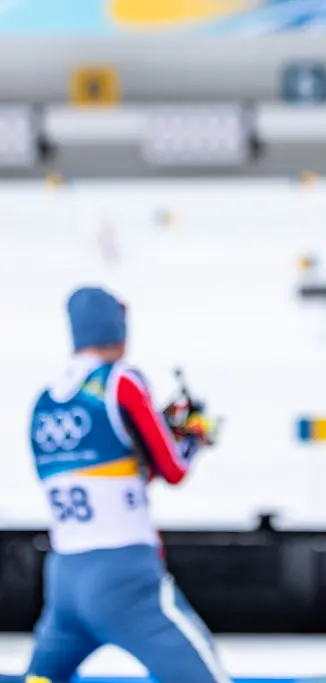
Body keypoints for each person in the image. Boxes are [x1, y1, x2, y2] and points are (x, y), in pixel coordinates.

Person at [20, 286, 229, 683]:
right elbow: (172, 469)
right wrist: (193, 437)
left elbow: (99, 474)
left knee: (41, 678)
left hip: (64, 578)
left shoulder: (44, 401)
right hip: (125, 577)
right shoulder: (122, 382)